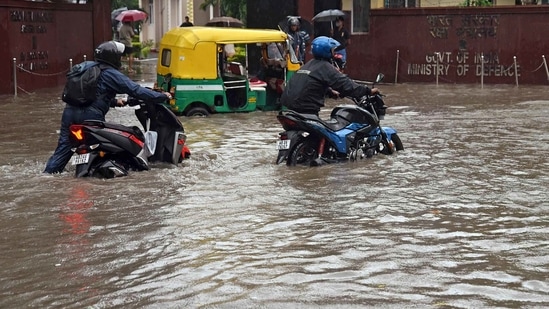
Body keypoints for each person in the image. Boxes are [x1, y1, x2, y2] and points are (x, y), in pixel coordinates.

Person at [43, 41, 173, 174]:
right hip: (91, 115)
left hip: (69, 113)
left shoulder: (85, 67)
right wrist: (162, 96)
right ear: (113, 57)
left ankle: (48, 175)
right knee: (101, 148)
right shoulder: (110, 73)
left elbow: (90, 94)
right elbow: (136, 90)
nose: (121, 59)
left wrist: (115, 102)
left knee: (63, 149)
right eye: (119, 56)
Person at [280, 36, 377, 116]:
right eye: (333, 50)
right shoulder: (325, 67)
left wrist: (330, 92)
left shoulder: (309, 64)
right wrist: (367, 91)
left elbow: (311, 83)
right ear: (327, 51)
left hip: (290, 109)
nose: (334, 53)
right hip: (306, 110)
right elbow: (345, 84)